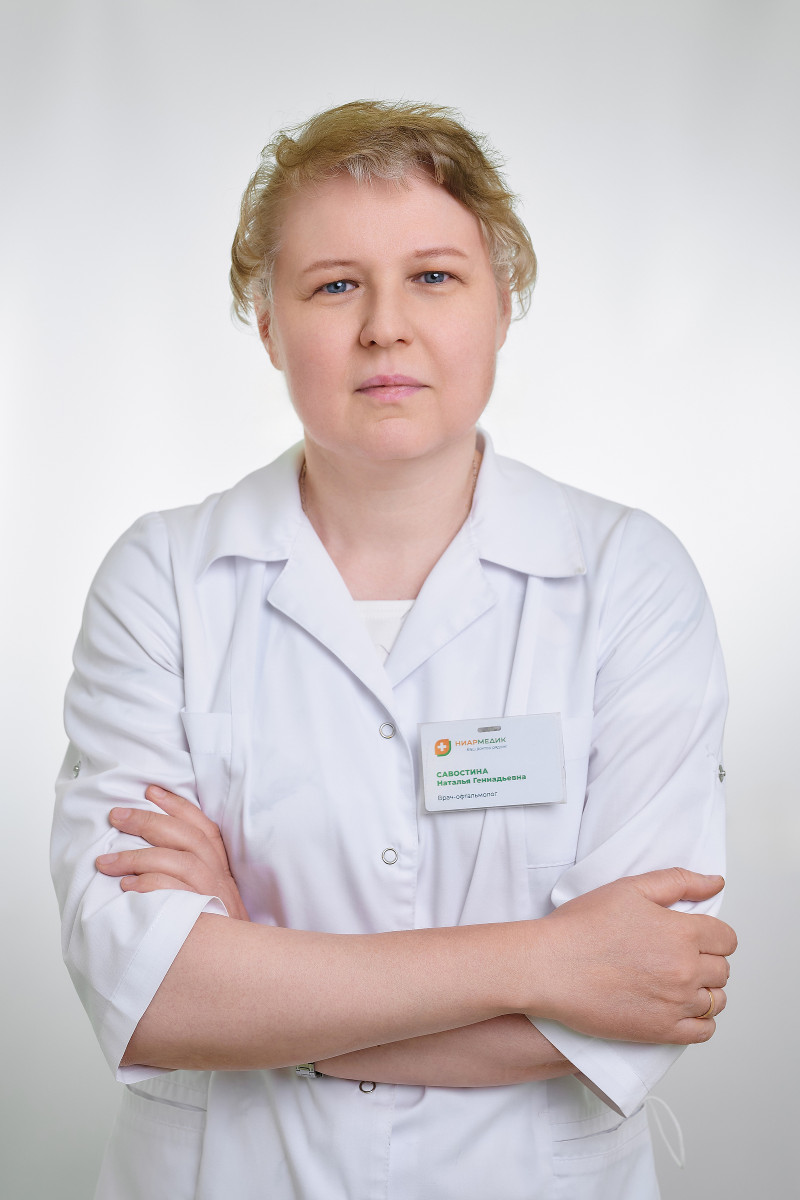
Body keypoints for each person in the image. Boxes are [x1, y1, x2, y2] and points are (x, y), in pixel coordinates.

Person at [51, 99, 736, 1200]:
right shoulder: (163, 579)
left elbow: (637, 1002)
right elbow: (155, 997)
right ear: (267, 325)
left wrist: (258, 991)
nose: (384, 327)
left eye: (433, 276)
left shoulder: (628, 578)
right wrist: (548, 961)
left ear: (500, 305)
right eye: (334, 285)